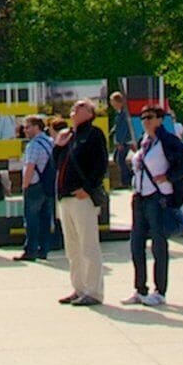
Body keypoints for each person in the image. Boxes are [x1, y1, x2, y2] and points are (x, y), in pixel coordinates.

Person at [127, 105, 183, 306]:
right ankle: (140, 289)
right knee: (136, 242)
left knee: (158, 243)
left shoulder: (166, 140)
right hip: (140, 196)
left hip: (157, 197)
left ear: (160, 119)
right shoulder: (144, 141)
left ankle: (160, 291)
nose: (146, 121)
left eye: (150, 117)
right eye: (143, 117)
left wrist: (169, 176)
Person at [54, 98, 112, 307]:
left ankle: (94, 291)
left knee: (88, 245)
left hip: (81, 197)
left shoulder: (93, 134)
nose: (74, 110)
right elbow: (57, 165)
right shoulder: (69, 135)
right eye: (73, 107)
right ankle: (78, 288)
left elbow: (100, 163)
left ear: (90, 113)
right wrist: (58, 146)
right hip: (65, 197)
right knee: (72, 248)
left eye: (80, 107)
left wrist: (87, 189)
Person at [17, 118, 59, 262]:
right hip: (48, 184)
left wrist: (25, 185)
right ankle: (43, 249)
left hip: (34, 185)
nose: (25, 130)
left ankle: (30, 250)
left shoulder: (33, 145)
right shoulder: (50, 142)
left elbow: (30, 166)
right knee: (45, 218)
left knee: (31, 219)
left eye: (28, 127)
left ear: (37, 127)